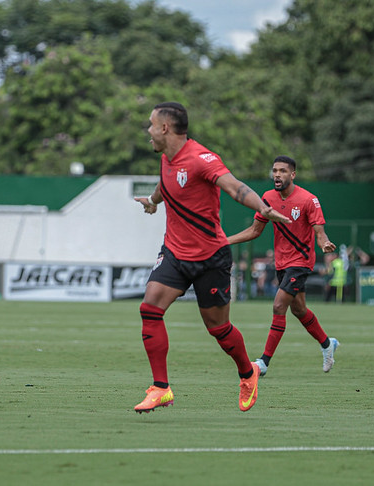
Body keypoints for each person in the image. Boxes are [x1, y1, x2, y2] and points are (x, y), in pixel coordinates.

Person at [132, 102, 291, 413]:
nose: (148, 131)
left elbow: (234, 187)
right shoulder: (167, 157)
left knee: (218, 328)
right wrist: (152, 201)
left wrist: (261, 207)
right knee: (150, 308)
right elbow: (166, 184)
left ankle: (248, 373)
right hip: (175, 253)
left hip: (210, 257)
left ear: (165, 128)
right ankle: (161, 388)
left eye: (151, 125)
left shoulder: (202, 158)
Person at [228, 155, 338, 377]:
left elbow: (320, 232)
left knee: (279, 306)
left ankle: (264, 362)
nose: (277, 174)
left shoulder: (309, 200)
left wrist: (325, 243)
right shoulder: (267, 198)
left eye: (282, 171)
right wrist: (224, 240)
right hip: (282, 263)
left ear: (293, 175)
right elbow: (255, 230)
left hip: (301, 263)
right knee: (299, 309)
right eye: (275, 170)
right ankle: (327, 344)